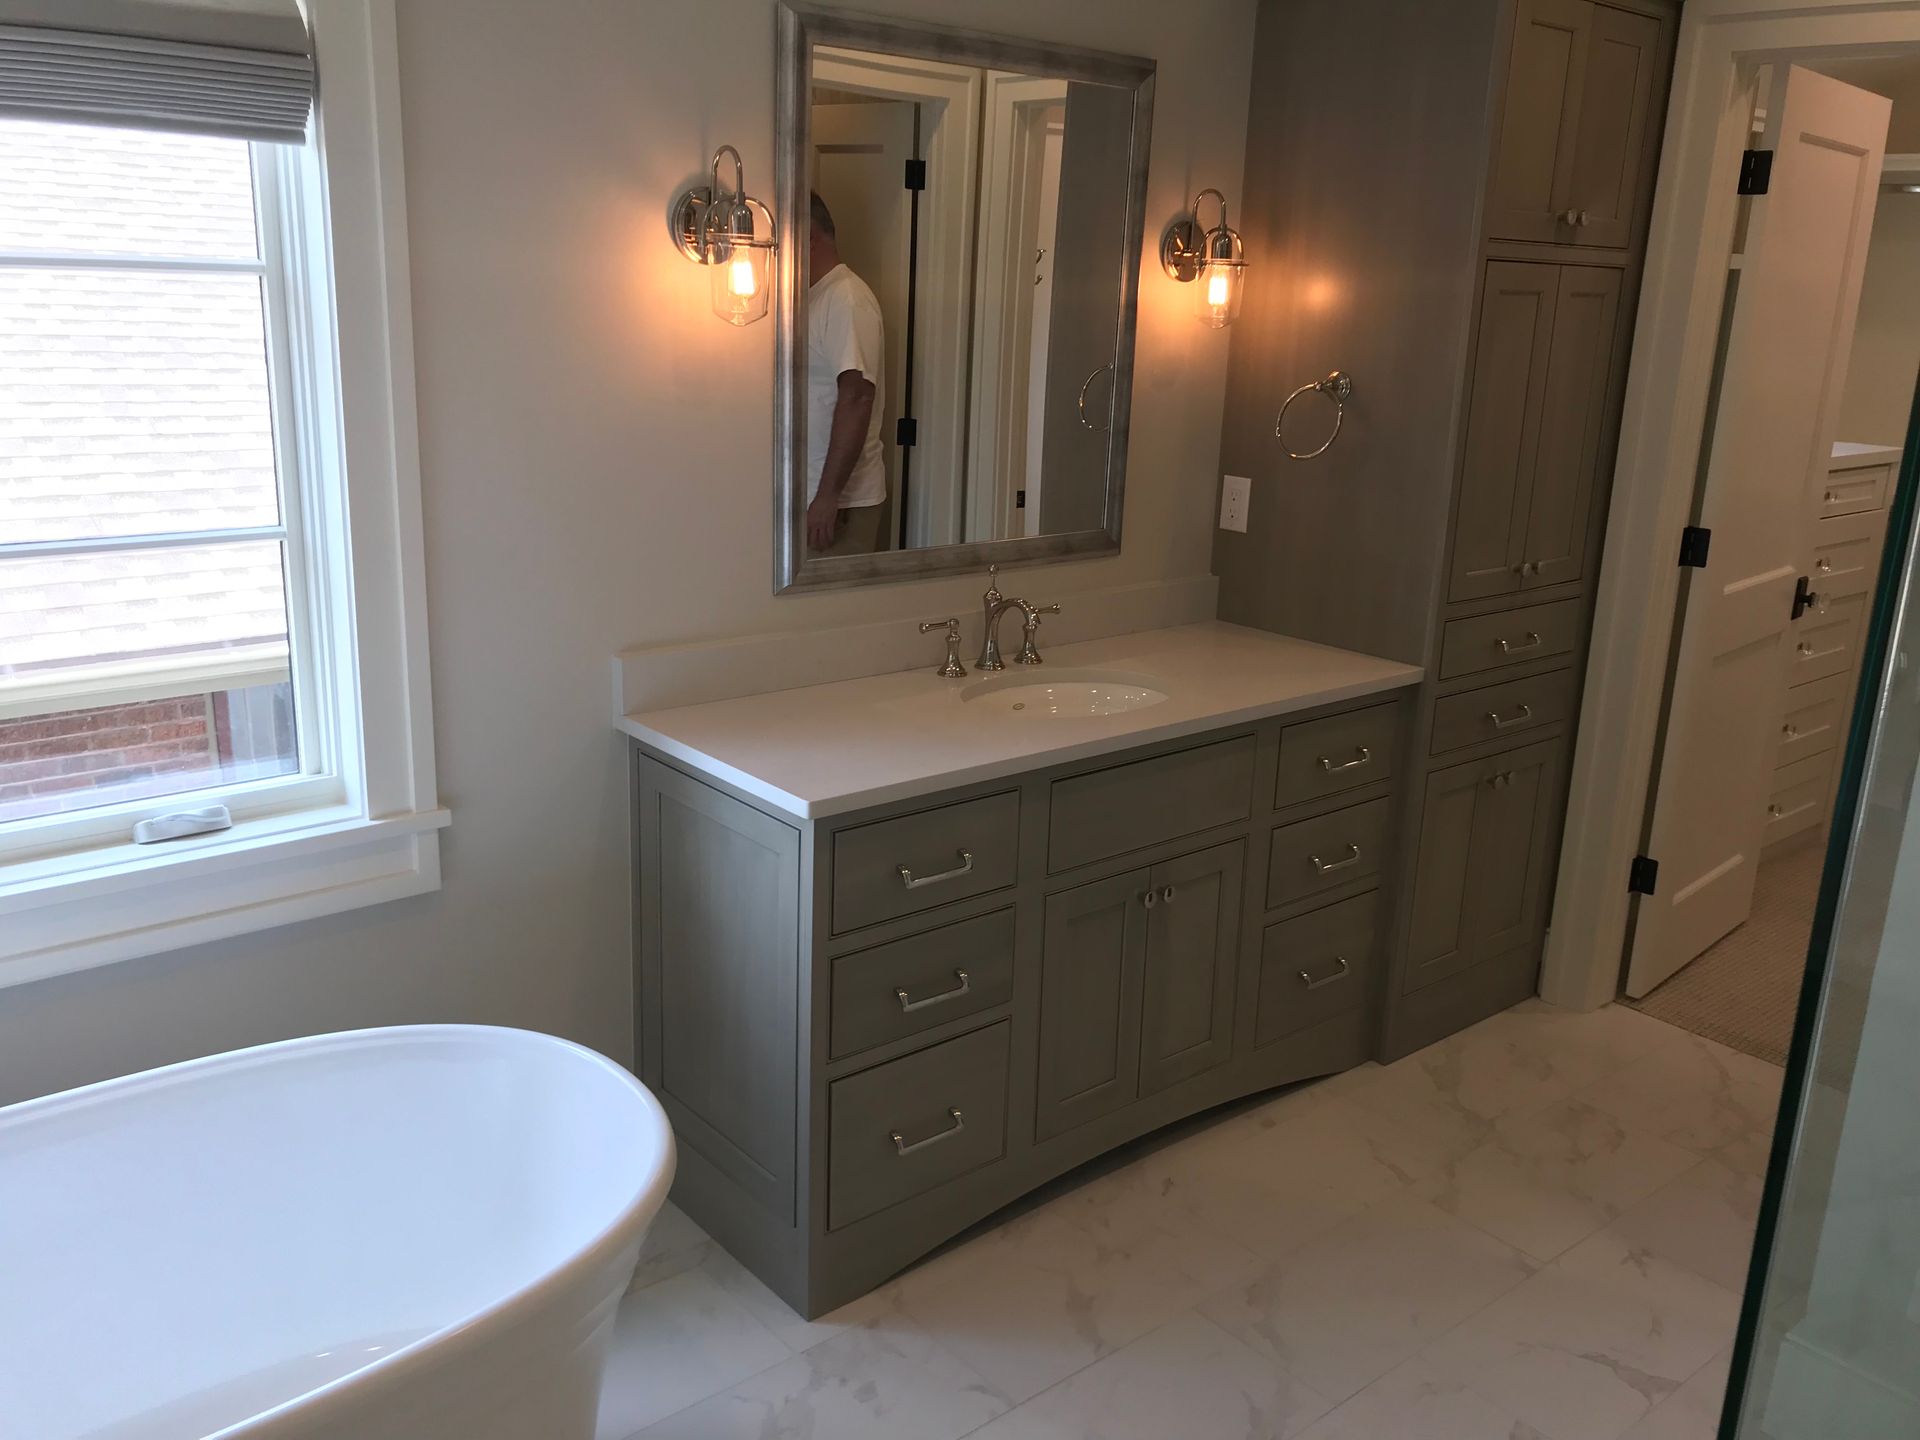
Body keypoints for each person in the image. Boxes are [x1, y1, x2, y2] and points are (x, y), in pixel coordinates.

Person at [804, 191, 888, 555]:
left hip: (841, 506)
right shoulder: (814, 297)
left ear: (807, 238)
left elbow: (857, 396)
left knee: (834, 611)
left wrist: (828, 497)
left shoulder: (846, 298)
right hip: (817, 498)